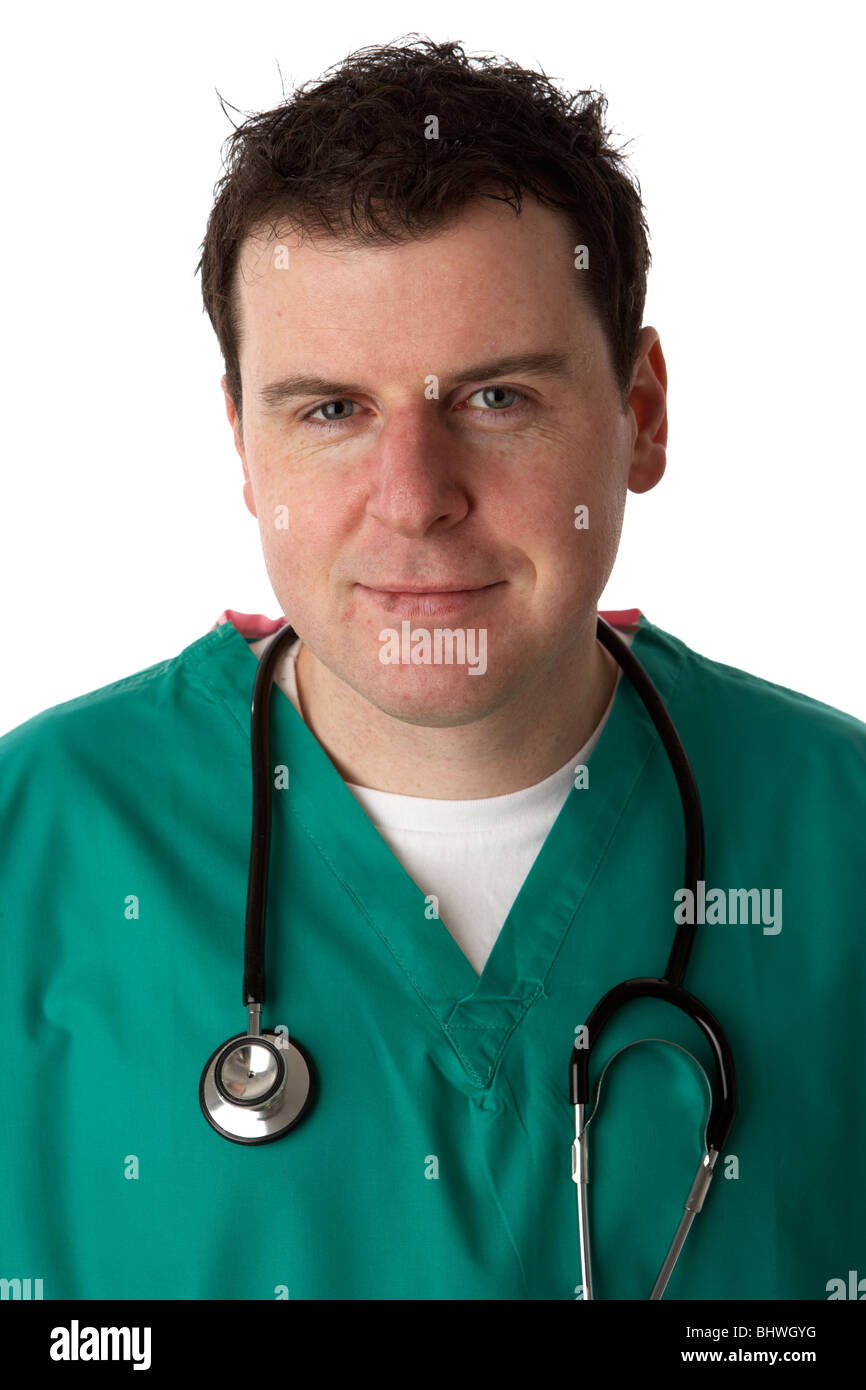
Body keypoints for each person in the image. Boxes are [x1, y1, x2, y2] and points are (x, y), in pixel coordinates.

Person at [1, 35, 864, 1303]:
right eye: (330, 410)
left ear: (642, 411)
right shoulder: (34, 849)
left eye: (496, 398)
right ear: (241, 443)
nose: (412, 501)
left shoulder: (837, 835)